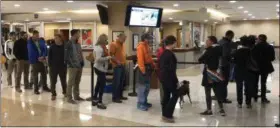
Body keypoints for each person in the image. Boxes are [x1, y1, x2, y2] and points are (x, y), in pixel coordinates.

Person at [199, 36, 225, 116]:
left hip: (208, 72)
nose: (206, 42)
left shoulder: (209, 50)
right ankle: (221, 109)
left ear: (212, 42)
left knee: (208, 91)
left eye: (207, 40)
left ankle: (209, 110)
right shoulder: (219, 49)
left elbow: (200, 59)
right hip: (216, 72)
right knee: (217, 91)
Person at [159, 35, 179, 123]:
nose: (176, 44)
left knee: (166, 95)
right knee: (175, 94)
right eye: (175, 42)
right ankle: (167, 115)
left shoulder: (163, 53)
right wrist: (176, 81)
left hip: (163, 78)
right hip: (169, 78)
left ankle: (164, 114)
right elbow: (171, 70)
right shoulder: (170, 54)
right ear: (173, 43)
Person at [232, 36, 254, 108]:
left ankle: (239, 103)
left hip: (239, 70)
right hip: (249, 71)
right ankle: (248, 103)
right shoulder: (251, 51)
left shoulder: (237, 51)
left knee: (239, 86)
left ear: (241, 42)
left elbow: (233, 60)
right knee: (248, 87)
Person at [252, 34, 275, 104]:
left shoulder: (255, 47)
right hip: (265, 67)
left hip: (256, 67)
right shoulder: (270, 47)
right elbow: (272, 58)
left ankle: (255, 96)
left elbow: (252, 57)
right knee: (263, 82)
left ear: (259, 39)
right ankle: (263, 98)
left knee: (255, 82)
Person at [136, 33, 156, 111]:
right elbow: (140, 60)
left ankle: (144, 102)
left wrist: (153, 64)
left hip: (148, 68)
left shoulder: (147, 46)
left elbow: (149, 57)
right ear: (145, 39)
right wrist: (143, 70)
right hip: (143, 69)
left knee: (147, 87)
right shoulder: (140, 47)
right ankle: (140, 104)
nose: (150, 40)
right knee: (142, 87)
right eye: (149, 39)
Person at [65, 29, 85, 104]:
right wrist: (71, 64)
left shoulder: (78, 43)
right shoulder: (69, 43)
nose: (79, 35)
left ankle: (76, 96)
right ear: (75, 34)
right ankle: (69, 98)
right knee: (71, 82)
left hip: (79, 65)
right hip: (73, 66)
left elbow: (80, 53)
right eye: (78, 34)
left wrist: (82, 61)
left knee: (77, 82)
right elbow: (66, 56)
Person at [27, 30, 50, 94]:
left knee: (44, 74)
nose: (37, 37)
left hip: (42, 60)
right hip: (35, 61)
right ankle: (36, 89)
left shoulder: (41, 41)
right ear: (33, 35)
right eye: (36, 36)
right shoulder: (29, 42)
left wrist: (43, 56)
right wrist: (38, 58)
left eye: (38, 35)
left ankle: (44, 86)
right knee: (35, 76)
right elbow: (31, 53)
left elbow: (45, 49)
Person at [92, 34, 111, 109]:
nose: (107, 41)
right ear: (103, 40)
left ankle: (94, 98)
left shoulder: (97, 47)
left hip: (99, 68)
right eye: (106, 40)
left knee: (98, 84)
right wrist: (107, 57)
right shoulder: (99, 49)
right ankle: (99, 102)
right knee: (102, 86)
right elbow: (98, 59)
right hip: (100, 69)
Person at [109, 33, 128, 103]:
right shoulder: (113, 44)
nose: (124, 40)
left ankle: (120, 96)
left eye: (125, 39)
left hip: (123, 65)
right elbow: (111, 55)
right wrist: (117, 61)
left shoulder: (122, 44)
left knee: (121, 82)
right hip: (117, 66)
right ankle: (115, 97)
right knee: (116, 82)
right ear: (119, 37)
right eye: (123, 39)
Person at [48, 34, 67, 101]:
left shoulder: (65, 46)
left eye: (56, 38)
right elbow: (49, 57)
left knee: (63, 81)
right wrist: (50, 65)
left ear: (60, 38)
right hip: (53, 67)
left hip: (62, 67)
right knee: (53, 81)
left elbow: (67, 56)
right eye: (55, 38)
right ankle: (53, 94)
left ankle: (65, 92)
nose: (55, 39)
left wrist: (66, 64)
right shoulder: (52, 46)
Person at [218, 30, 235, 103]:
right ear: (229, 35)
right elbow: (225, 55)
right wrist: (232, 57)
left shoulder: (220, 41)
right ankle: (223, 98)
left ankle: (219, 96)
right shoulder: (226, 43)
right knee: (224, 82)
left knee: (220, 81)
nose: (232, 38)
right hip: (224, 65)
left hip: (219, 64)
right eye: (232, 37)